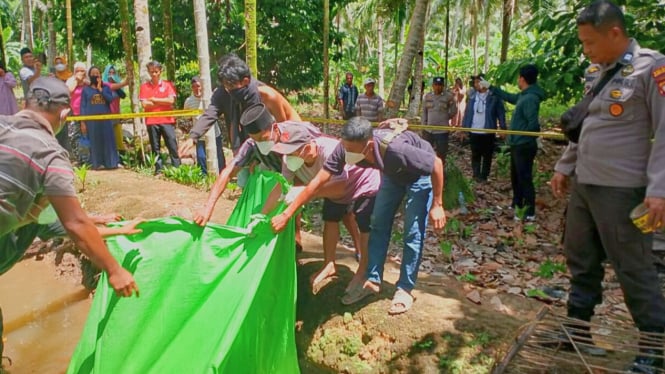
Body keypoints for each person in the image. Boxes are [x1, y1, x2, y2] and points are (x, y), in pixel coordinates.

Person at [550, 1, 665, 372]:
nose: (586, 50)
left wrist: (659, 189)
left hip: (623, 189)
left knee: (633, 267)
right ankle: (577, 331)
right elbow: (584, 127)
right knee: (580, 258)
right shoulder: (594, 72)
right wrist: (564, 167)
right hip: (586, 182)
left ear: (614, 33)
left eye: (589, 43)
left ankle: (654, 347)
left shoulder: (653, 67)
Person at [0, 77, 139, 362]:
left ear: (26, 102)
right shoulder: (50, 153)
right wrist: (114, 270)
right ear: (64, 113)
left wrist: (110, 225)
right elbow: (74, 224)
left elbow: (64, 222)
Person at [271, 117, 446, 315]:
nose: (347, 155)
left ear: (369, 146)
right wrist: (287, 213)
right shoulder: (343, 150)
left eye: (352, 150)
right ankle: (372, 280)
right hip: (392, 175)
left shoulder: (396, 150)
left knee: (412, 232)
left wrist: (437, 204)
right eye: (345, 148)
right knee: (378, 223)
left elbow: (437, 164)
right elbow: (317, 182)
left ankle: (404, 288)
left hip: (418, 176)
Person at [268, 126, 381, 292]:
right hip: (331, 187)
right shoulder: (289, 160)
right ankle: (329, 264)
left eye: (291, 152)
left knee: (364, 223)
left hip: (361, 182)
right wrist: (262, 215)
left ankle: (364, 271)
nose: (287, 157)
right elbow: (281, 187)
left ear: (306, 148)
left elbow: (340, 185)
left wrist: (306, 193)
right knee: (330, 216)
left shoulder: (328, 150)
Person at [193, 103, 320, 227]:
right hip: (285, 182)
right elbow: (228, 172)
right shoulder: (252, 146)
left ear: (275, 128)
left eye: (263, 139)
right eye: (256, 139)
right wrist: (208, 208)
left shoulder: (296, 134)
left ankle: (297, 233)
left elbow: (322, 152)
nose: (260, 143)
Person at [178, 53, 301, 159]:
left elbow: (283, 127)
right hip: (252, 146)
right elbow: (210, 113)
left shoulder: (264, 94)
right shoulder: (223, 92)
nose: (227, 89)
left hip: (288, 142)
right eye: (225, 85)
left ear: (245, 81)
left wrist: (282, 153)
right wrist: (193, 137)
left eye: (230, 85)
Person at [488, 64, 545, 220]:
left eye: (519, 78)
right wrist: (490, 87)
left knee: (524, 177)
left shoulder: (531, 99)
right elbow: (509, 97)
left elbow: (533, 125)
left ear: (523, 79)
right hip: (516, 144)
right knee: (516, 176)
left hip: (523, 145)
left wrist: (521, 137)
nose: (518, 81)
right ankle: (517, 203)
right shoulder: (523, 95)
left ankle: (529, 211)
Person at [462, 74, 506, 182]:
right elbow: (467, 113)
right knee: (475, 154)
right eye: (476, 82)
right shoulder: (472, 96)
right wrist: (463, 129)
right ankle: (476, 175)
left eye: (480, 82)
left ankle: (484, 176)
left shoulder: (493, 97)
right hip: (474, 130)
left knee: (487, 155)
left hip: (488, 130)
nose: (478, 84)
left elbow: (500, 113)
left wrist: (503, 128)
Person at [139, 60, 180, 174]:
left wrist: (155, 100)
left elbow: (171, 101)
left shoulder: (167, 85)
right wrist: (163, 101)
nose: (154, 74)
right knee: (155, 147)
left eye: (156, 71)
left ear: (160, 71)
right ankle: (158, 169)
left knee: (172, 144)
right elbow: (144, 104)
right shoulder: (144, 87)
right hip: (151, 121)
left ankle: (177, 168)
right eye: (151, 72)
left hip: (166, 120)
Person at [183, 75, 225, 175]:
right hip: (199, 136)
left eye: (198, 86)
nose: (196, 89)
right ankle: (205, 178)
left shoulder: (211, 97)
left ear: (202, 86)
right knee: (201, 158)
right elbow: (186, 116)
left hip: (214, 133)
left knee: (219, 156)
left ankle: (223, 175)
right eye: (194, 87)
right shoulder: (189, 101)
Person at [80, 66, 119, 170]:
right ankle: (96, 164)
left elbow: (110, 99)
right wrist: (82, 122)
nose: (95, 75)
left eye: (97, 73)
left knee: (108, 141)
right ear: (89, 76)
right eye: (93, 74)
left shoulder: (106, 88)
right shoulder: (86, 90)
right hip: (91, 121)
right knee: (94, 141)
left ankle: (110, 163)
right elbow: (83, 106)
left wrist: (100, 90)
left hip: (105, 120)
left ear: (100, 75)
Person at [421, 77, 457, 162]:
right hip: (428, 130)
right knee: (426, 151)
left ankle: (440, 171)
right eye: (436, 85)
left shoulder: (448, 97)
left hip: (442, 130)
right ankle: (427, 170)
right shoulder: (427, 96)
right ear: (433, 86)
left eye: (440, 85)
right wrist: (423, 125)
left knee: (441, 152)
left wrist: (445, 117)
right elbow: (424, 112)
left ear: (443, 86)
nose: (438, 87)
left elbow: (453, 110)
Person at [66, 62, 90, 164]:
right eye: (78, 71)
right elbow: (68, 91)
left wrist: (84, 81)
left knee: (87, 135)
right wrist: (76, 80)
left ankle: (88, 159)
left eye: (82, 71)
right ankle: (79, 159)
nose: (80, 73)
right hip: (74, 113)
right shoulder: (70, 80)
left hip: (87, 112)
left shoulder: (88, 81)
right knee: (74, 136)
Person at [102, 64, 129, 155]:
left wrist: (118, 84)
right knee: (107, 137)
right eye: (109, 72)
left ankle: (121, 157)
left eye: (113, 73)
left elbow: (123, 95)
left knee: (118, 138)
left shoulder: (118, 86)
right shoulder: (102, 84)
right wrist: (123, 83)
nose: (111, 74)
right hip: (106, 115)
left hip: (116, 114)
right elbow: (110, 87)